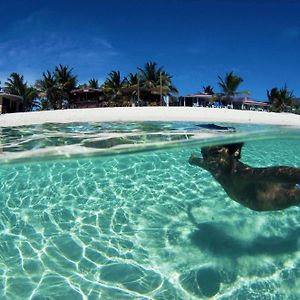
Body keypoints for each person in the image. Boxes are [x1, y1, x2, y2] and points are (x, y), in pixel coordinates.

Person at [188, 143, 300, 211]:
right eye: (205, 155)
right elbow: (199, 161)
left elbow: (274, 173)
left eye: (215, 153)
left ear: (235, 152)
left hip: (290, 195)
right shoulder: (213, 167)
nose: (209, 160)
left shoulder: (240, 174)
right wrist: (192, 160)